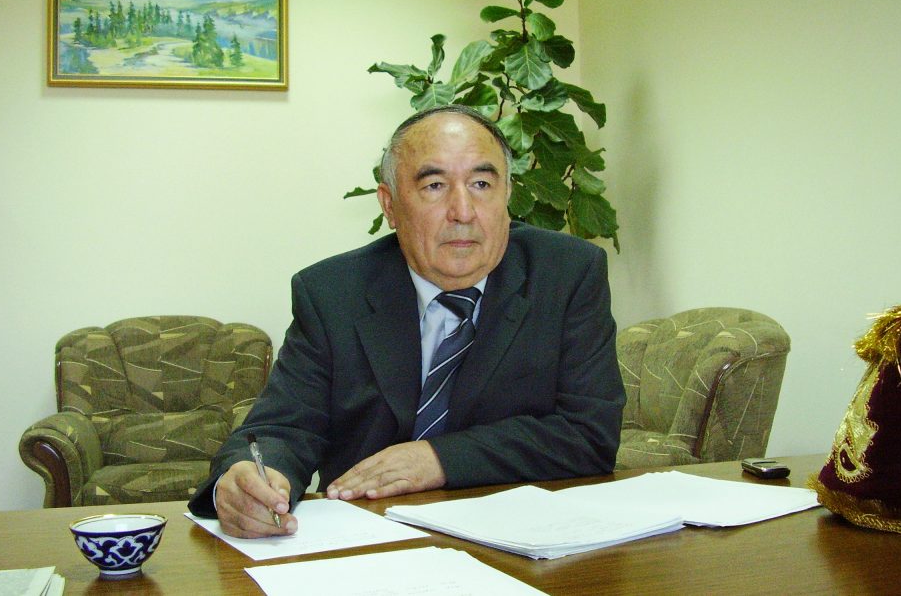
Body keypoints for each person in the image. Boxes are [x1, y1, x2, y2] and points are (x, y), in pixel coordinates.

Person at [187, 104, 625, 538]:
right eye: (435, 185)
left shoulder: (567, 274)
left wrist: (437, 458)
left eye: (481, 183)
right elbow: (282, 427)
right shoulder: (332, 293)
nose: (463, 210)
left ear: (507, 194)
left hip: (526, 535)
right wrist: (249, 479)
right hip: (369, 539)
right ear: (390, 205)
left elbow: (589, 434)